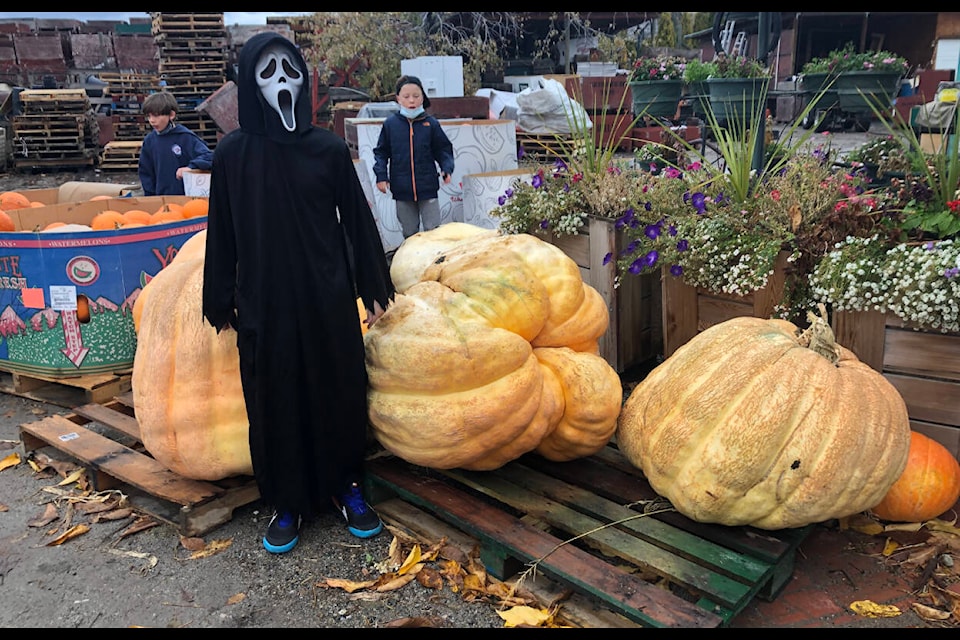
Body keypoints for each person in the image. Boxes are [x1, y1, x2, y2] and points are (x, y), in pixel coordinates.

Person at [201, 32, 396, 555]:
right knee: (276, 393)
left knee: (337, 385)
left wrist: (373, 283)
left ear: (303, 79)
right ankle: (286, 500)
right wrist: (220, 296)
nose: (281, 80)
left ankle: (345, 485)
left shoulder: (327, 149)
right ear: (248, 83)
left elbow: (356, 219)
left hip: (325, 294)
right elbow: (222, 229)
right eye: (267, 72)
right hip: (264, 299)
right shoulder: (232, 156)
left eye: (289, 69)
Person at [373, 75, 455, 240]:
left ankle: (434, 262)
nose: (412, 100)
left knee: (433, 232)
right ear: (398, 99)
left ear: (423, 98)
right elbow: (381, 153)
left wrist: (447, 168)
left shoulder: (430, 124)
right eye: (406, 96)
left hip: (428, 188)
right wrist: (381, 176)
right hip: (401, 190)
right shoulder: (391, 125)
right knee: (410, 234)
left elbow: (443, 149)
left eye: (416, 96)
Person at [138, 91, 213, 196]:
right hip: (161, 200)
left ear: (171, 115)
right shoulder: (150, 141)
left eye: (156, 116)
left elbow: (209, 156)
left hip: (185, 199)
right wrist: (150, 196)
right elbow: (146, 172)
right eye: (149, 116)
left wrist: (190, 167)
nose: (152, 120)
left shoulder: (185, 137)